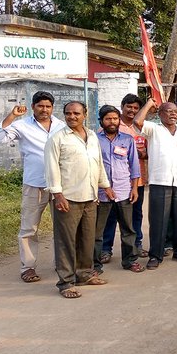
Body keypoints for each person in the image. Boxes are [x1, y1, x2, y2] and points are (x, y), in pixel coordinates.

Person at [0, 91, 65, 283]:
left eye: (48, 106)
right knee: (29, 229)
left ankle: (62, 265)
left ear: (52, 108)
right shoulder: (21, 125)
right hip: (35, 184)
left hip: (60, 186)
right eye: (40, 106)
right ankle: (28, 268)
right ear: (33, 107)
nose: (44, 110)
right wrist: (12, 115)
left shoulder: (61, 126)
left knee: (62, 227)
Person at [45, 101, 112, 298]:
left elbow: (98, 163)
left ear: (85, 114)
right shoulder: (57, 138)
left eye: (76, 113)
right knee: (66, 241)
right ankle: (66, 282)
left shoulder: (92, 136)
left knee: (87, 239)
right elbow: (51, 168)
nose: (71, 117)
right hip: (68, 199)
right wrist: (57, 195)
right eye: (68, 113)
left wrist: (105, 186)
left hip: (90, 198)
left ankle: (84, 274)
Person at [134, 98, 177, 269]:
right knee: (158, 221)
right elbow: (137, 121)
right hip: (159, 181)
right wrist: (149, 103)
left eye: (175, 112)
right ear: (160, 114)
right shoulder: (154, 130)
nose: (172, 114)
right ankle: (155, 255)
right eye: (168, 111)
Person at [93, 105, 143, 274]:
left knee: (128, 229)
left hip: (124, 191)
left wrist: (135, 188)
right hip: (101, 193)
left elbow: (135, 166)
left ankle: (129, 261)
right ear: (101, 121)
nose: (112, 122)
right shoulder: (94, 140)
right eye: (108, 118)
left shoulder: (127, 140)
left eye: (115, 118)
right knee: (97, 232)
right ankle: (95, 264)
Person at [101, 93, 149, 262]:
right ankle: (105, 249)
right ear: (122, 107)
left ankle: (136, 245)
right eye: (129, 107)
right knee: (110, 217)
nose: (132, 110)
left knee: (135, 215)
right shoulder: (110, 127)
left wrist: (144, 153)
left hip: (137, 181)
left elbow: (148, 152)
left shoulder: (142, 128)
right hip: (111, 183)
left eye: (136, 108)